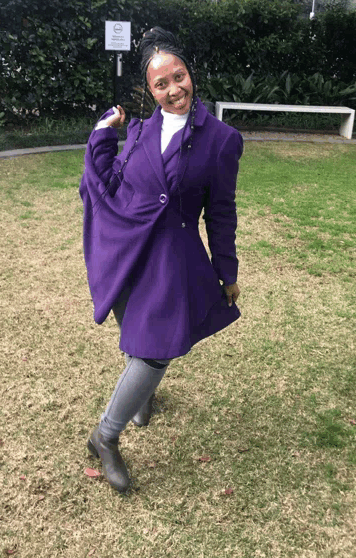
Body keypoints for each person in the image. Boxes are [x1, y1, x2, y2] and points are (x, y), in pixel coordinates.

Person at [79, 27, 243, 492]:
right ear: (149, 91)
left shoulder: (222, 139)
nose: (174, 90)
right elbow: (111, 182)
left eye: (180, 76)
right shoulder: (140, 129)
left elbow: (222, 210)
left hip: (173, 257)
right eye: (161, 84)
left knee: (154, 352)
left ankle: (105, 435)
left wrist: (226, 270)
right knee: (141, 341)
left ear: (191, 73)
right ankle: (142, 400)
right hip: (130, 249)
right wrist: (101, 136)